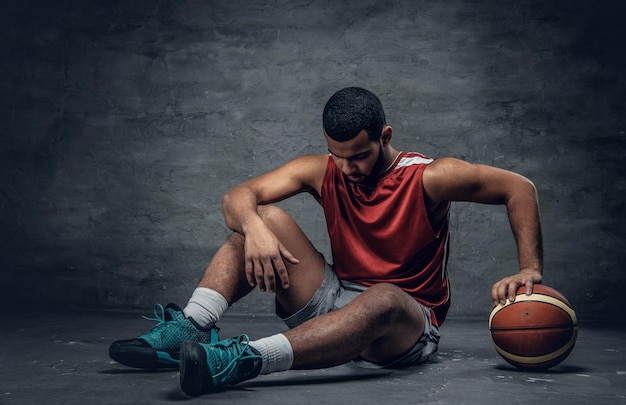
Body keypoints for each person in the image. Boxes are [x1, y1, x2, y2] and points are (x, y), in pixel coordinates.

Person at [109, 87, 543, 396]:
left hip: (404, 324)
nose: (348, 168)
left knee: (386, 297)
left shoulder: (429, 177)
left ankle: (243, 360)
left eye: (359, 156)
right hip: (332, 300)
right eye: (339, 156)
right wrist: (256, 229)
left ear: (384, 137)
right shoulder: (323, 169)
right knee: (263, 217)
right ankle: (192, 327)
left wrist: (529, 269)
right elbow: (237, 197)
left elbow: (518, 188)